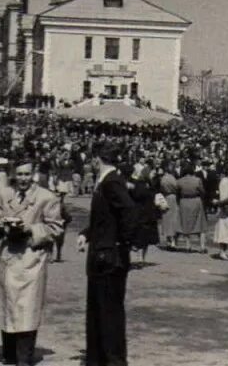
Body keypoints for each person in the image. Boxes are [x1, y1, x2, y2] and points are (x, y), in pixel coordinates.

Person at [0, 162, 65, 366]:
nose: (23, 179)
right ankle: (9, 354)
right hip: (9, 256)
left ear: (33, 175)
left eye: (27, 174)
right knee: (8, 306)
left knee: (28, 308)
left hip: (32, 258)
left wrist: (30, 230)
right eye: (19, 174)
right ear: (13, 174)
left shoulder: (46, 197)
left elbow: (56, 228)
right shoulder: (4, 194)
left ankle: (24, 357)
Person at [78, 142, 137, 366]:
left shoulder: (111, 182)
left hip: (109, 258)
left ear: (96, 159)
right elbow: (105, 218)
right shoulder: (107, 181)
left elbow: (128, 212)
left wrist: (120, 242)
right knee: (98, 309)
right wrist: (88, 233)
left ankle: (113, 361)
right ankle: (98, 358)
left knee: (108, 312)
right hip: (103, 254)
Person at [127, 166, 159, 267]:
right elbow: (137, 196)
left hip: (149, 213)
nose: (153, 175)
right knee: (140, 235)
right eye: (152, 173)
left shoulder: (151, 184)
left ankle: (142, 258)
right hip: (140, 213)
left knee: (146, 237)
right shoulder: (139, 185)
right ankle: (139, 257)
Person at [175, 162, 207, 253]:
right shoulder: (197, 180)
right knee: (200, 224)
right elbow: (203, 192)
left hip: (184, 202)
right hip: (196, 201)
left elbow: (177, 193)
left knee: (186, 223)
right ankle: (202, 246)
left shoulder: (179, 181)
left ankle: (188, 246)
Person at [212, 169, 228, 260]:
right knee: (223, 230)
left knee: (227, 230)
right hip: (225, 209)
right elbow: (224, 196)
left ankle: (223, 251)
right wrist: (223, 205)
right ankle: (222, 251)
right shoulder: (224, 182)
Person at [158, 165, 180, 249]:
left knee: (166, 219)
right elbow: (176, 188)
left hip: (165, 197)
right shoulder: (173, 178)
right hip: (173, 198)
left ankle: (168, 240)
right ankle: (173, 241)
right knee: (173, 219)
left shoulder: (163, 179)